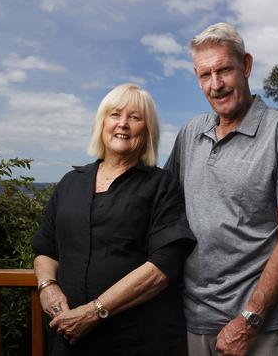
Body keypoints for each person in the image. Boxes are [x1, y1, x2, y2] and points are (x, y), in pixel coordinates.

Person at [164, 23, 278, 356]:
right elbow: (161, 207)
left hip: (256, 328)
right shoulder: (191, 133)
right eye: (205, 75)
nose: (216, 84)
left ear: (246, 66)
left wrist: (249, 320)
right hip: (192, 321)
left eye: (224, 70)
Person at [32, 83, 196, 355]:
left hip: (138, 339)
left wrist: (93, 312)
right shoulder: (70, 183)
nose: (123, 124)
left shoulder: (162, 185)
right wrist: (47, 286)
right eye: (115, 114)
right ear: (102, 122)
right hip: (70, 337)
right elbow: (45, 249)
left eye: (135, 117)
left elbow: (163, 265)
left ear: (147, 131)